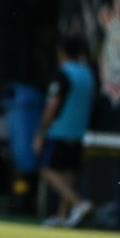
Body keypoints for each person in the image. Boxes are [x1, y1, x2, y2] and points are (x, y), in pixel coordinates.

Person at [33, 36, 96, 228]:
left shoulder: (64, 73)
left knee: (47, 170)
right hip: (78, 133)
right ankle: (63, 216)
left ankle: (79, 203)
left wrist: (40, 132)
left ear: (62, 52)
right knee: (68, 175)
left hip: (59, 130)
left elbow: (53, 105)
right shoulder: (88, 74)